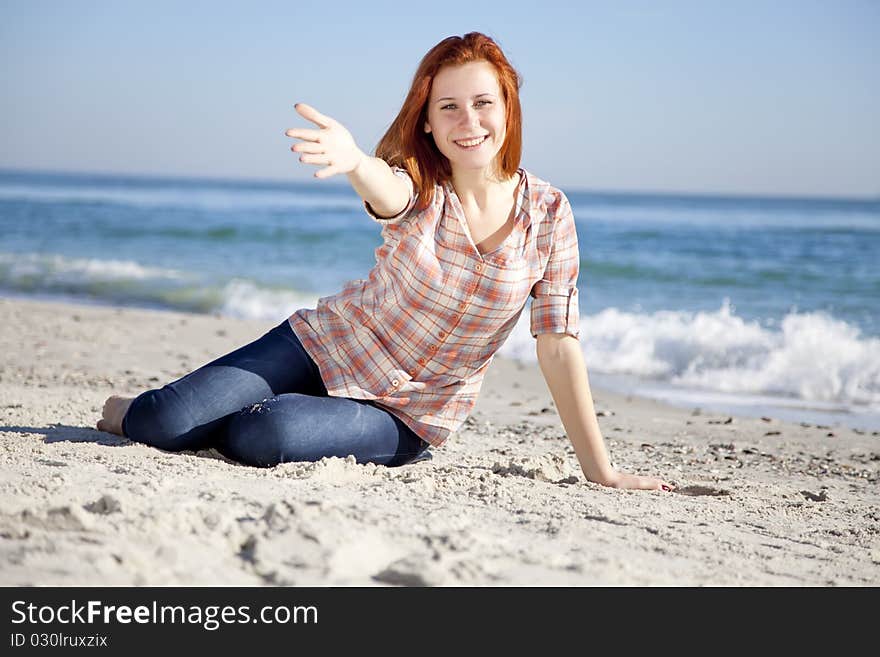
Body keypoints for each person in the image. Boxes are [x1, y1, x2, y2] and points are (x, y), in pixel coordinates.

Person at [97, 32, 673, 491]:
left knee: (261, 434)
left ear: (507, 108)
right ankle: (150, 410)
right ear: (427, 120)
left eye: (482, 103)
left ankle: (262, 416)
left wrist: (601, 470)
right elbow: (389, 192)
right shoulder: (423, 187)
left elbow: (557, 342)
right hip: (325, 345)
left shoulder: (549, 212)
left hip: (405, 413)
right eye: (449, 107)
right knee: (163, 422)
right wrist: (353, 161)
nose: (468, 122)